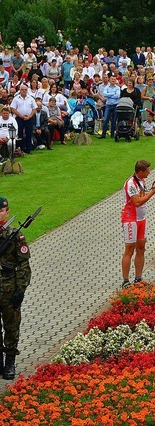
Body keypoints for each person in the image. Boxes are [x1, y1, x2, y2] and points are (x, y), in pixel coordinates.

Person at [0, 196, 31, 380]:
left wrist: (20, 290)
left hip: (9, 289)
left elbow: (24, 266)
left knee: (11, 326)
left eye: (2, 211)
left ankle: (10, 362)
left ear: (7, 212)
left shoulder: (15, 235)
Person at [120, 160, 155, 288]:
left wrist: (153, 189)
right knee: (129, 249)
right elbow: (137, 202)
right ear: (140, 172)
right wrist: (153, 192)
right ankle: (125, 281)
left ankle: (138, 279)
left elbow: (142, 195)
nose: (149, 172)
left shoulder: (141, 181)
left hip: (141, 219)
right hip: (130, 219)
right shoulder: (131, 183)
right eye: (147, 170)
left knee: (141, 248)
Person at [9, 85, 37, 154]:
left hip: (29, 118)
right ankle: (20, 149)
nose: (24, 91)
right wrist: (21, 116)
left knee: (29, 134)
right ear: (20, 90)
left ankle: (28, 149)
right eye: (23, 89)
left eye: (25, 89)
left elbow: (34, 108)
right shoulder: (16, 99)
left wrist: (30, 116)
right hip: (19, 118)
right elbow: (13, 109)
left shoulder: (31, 98)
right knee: (19, 134)